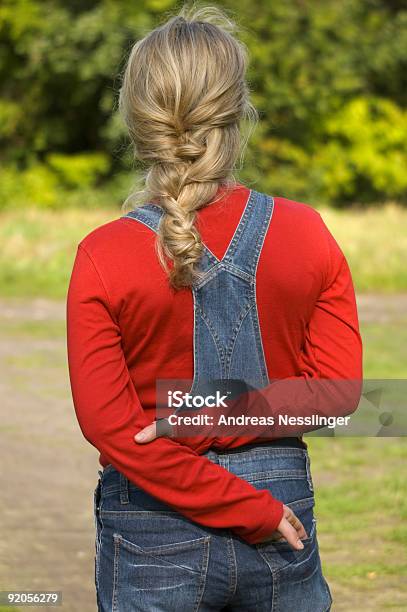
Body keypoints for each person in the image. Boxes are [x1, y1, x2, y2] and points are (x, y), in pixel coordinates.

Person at [66, 5, 362, 611]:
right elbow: (341, 396)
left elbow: (110, 427)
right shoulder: (307, 234)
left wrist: (197, 413)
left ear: (135, 115)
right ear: (239, 110)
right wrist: (251, 499)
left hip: (152, 525)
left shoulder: (102, 255)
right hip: (283, 524)